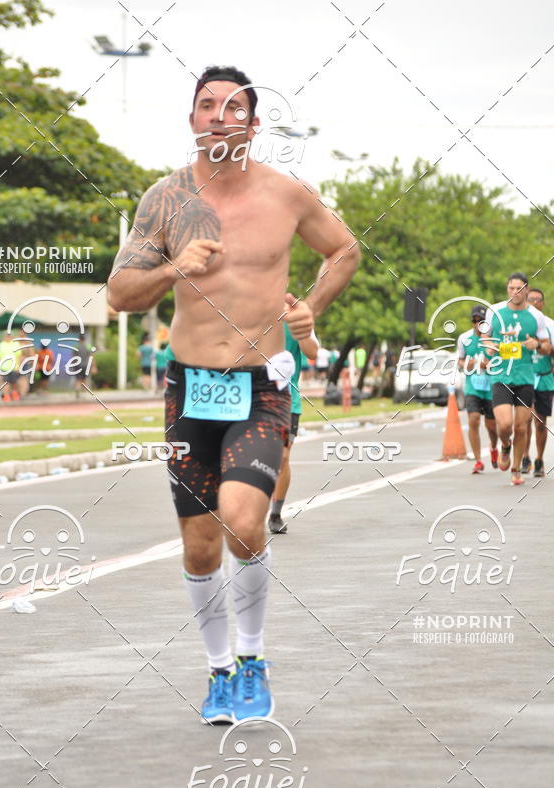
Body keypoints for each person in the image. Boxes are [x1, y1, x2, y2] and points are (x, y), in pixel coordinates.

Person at [107, 64, 360, 724]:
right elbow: (120, 294)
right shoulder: (165, 200)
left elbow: (344, 251)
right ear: (192, 119)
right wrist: (173, 267)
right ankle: (218, 670)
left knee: (244, 521)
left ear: (253, 123)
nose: (219, 116)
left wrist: (310, 308)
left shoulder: (287, 194)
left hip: (260, 387)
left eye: (234, 107)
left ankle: (252, 659)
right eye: (207, 105)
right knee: (199, 545)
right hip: (190, 389)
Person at [484, 272, 551, 485]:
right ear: (507, 289)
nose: (515, 292)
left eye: (519, 288)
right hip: (501, 376)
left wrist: (537, 345)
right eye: (511, 288)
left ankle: (516, 469)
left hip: (525, 377)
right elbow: (484, 336)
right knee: (505, 424)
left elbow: (547, 346)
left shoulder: (536, 317)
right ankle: (505, 445)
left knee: (521, 427)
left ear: (526, 290)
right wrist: (489, 346)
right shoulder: (494, 311)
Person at [268, 323, 319, 534]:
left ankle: (275, 513)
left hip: (287, 401)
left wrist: (300, 328)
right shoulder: (250, 312)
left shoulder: (296, 317)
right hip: (250, 399)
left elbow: (312, 352)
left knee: (282, 458)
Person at [456, 304, 498, 473]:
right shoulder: (464, 338)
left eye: (481, 321)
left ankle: (494, 447)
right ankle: (478, 460)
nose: (477, 324)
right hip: (472, 386)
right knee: (473, 419)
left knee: (492, 426)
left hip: (491, 387)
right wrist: (470, 363)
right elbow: (460, 361)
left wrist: (490, 365)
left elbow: (502, 362)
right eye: (474, 321)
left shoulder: (493, 339)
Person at [522, 288, 554, 477]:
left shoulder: (550, 325)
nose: (534, 302)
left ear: (542, 303)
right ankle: (525, 456)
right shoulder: (520, 323)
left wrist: (542, 346)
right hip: (524, 377)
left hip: (544, 377)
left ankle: (539, 459)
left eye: (538, 300)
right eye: (531, 299)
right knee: (524, 419)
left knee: (540, 422)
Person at [0, 331, 23, 402]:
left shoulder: (16, 344)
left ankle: (14, 395)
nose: (8, 337)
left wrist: (20, 366)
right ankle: (6, 396)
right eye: (7, 336)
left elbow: (19, 356)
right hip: (4, 368)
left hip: (14, 367)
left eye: (9, 336)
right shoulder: (1, 344)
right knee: (5, 383)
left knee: (14, 383)